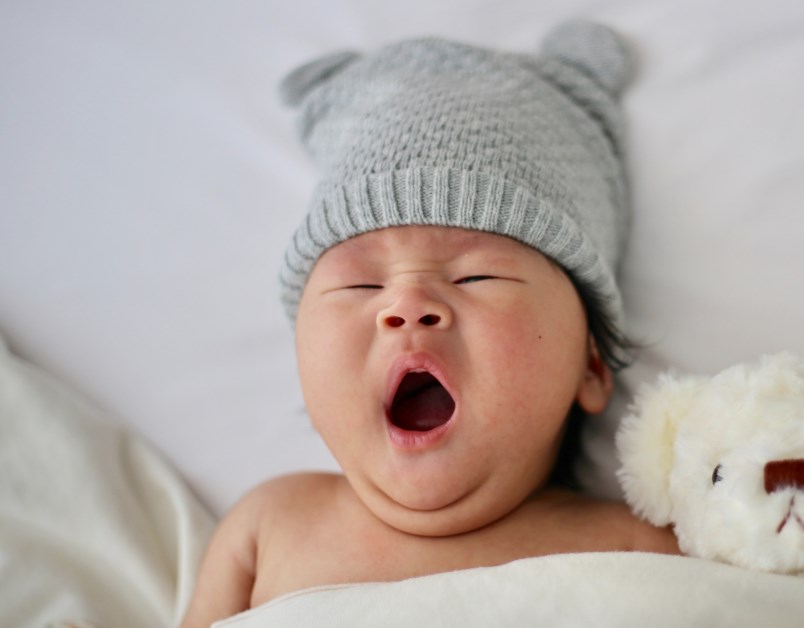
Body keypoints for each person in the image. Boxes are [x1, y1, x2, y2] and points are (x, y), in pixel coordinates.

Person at [181, 20, 679, 626]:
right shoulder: (267, 528)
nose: (407, 304)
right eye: (360, 284)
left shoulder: (635, 550)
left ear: (591, 365)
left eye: (476, 277)